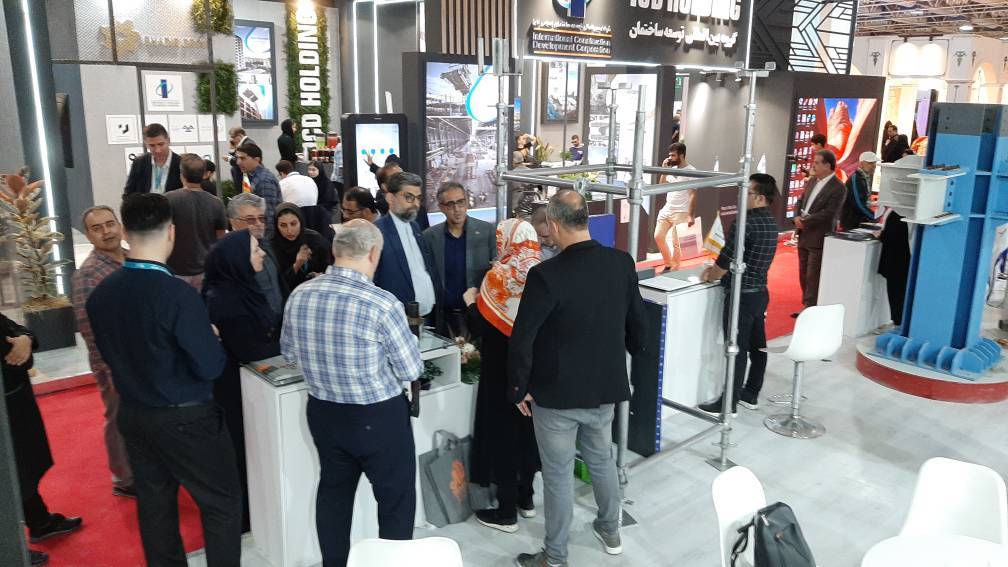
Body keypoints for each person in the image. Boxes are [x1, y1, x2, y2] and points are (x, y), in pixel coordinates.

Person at [86, 193, 240, 567]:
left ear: (125, 232)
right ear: (171, 232)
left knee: (155, 506)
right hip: (186, 418)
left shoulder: (101, 293)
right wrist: (211, 337)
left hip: (134, 414)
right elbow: (210, 366)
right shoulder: (177, 294)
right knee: (221, 503)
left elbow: (108, 354)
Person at [508, 190, 647, 567]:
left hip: (555, 394)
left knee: (557, 476)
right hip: (604, 388)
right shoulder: (621, 263)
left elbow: (523, 338)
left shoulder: (545, 275)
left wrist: (519, 388)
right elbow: (638, 326)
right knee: (602, 460)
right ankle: (610, 529)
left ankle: (555, 556)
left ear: (553, 225)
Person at [281, 219, 422, 567]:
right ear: (373, 254)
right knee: (395, 500)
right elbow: (411, 370)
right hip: (378, 417)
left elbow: (290, 354)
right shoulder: (382, 303)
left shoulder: (301, 294)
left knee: (334, 493)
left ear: (335, 250)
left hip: (324, 412)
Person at [463, 218, 541, 533]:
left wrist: (471, 301)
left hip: (500, 369)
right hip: (532, 369)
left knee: (503, 436)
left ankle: (506, 511)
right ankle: (527, 499)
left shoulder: (498, 276)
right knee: (527, 433)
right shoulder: (543, 273)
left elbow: (480, 327)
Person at [203, 230, 283, 532]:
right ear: (237, 260)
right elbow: (252, 350)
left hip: (248, 387)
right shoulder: (226, 301)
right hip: (235, 392)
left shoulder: (240, 287)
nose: (262, 253)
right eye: (254, 250)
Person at [3, 313, 83, 567]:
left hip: (14, 405)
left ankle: (39, 521)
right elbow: (12, 358)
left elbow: (16, 330)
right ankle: (9, 551)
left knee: (23, 468)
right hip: (6, 408)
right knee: (9, 476)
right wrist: (22, 345)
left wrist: (25, 338)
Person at [698, 174, 780, 414]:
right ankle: (751, 393)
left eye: (747, 192)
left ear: (760, 198)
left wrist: (711, 275)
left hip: (741, 296)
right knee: (758, 346)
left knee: (737, 348)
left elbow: (726, 258)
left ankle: (729, 402)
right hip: (760, 292)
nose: (741, 196)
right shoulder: (771, 222)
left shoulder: (744, 223)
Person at [70, 206, 133, 499]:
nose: (107, 231)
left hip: (141, 357)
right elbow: (88, 328)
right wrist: (108, 370)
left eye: (110, 224)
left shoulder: (134, 258)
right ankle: (124, 478)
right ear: (88, 235)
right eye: (97, 228)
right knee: (118, 418)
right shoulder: (87, 275)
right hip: (114, 363)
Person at [422, 182, 495, 335]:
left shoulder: (487, 232)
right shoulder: (429, 237)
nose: (457, 209)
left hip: (477, 315)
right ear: (441, 207)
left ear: (467, 202)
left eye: (461, 202)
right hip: (443, 317)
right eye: (450, 204)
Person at [373, 172, 440, 320]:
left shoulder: (415, 227)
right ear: (390, 198)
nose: (416, 204)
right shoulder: (377, 232)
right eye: (409, 197)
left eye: (418, 198)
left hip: (426, 316)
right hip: (397, 319)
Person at [794, 150, 845, 316]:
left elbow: (829, 213)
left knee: (813, 275)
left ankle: (811, 308)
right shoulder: (812, 181)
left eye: (816, 163)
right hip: (803, 234)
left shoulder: (838, 187)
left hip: (818, 237)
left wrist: (805, 221)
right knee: (803, 272)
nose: (813, 165)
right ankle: (806, 304)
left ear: (827, 166)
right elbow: (801, 200)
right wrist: (797, 217)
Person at [166, 153, 228, 289]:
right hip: (205, 269)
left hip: (176, 268)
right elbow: (221, 238)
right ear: (204, 175)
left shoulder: (169, 199)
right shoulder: (216, 203)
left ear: (182, 175)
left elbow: (163, 234)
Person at [227, 193, 289, 302]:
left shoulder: (266, 244)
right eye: (250, 220)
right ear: (233, 221)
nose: (258, 224)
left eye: (261, 218)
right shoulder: (227, 254)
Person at [653, 142, 698, 273]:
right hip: (667, 209)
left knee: (676, 243)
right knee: (658, 236)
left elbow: (693, 194)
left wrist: (691, 215)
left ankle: (674, 269)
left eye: (673, 155)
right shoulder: (671, 169)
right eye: (670, 155)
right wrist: (664, 170)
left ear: (681, 155)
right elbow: (661, 185)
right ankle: (668, 264)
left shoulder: (691, 171)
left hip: (681, 211)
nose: (670, 158)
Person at [272, 202, 333, 290]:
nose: (289, 230)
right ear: (276, 226)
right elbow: (276, 284)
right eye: (283, 225)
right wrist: (297, 265)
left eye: (293, 224)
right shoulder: (272, 245)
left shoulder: (315, 240)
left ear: (300, 222)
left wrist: (320, 276)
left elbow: (330, 269)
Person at [235, 143, 282, 239]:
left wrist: (264, 241)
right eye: (237, 158)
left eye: (243, 158)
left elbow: (268, 215)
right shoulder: (254, 177)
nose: (238, 162)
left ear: (256, 160)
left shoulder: (264, 180)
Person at [123, 123, 182, 194]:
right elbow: (128, 193)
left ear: (168, 141)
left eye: (161, 144)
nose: (157, 150)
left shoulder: (181, 163)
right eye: (152, 145)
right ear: (146, 144)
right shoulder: (139, 162)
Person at [841, 151, 878, 231]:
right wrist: (874, 216)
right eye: (870, 163)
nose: (874, 166)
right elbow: (858, 203)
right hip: (851, 222)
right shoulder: (855, 179)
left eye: (874, 163)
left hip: (858, 220)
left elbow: (863, 201)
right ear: (861, 164)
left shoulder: (864, 178)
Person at [227, 127, 254, 192]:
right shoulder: (243, 143)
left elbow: (239, 160)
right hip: (241, 175)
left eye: (233, 137)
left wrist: (229, 159)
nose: (232, 140)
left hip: (246, 175)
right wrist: (232, 148)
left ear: (240, 135)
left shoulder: (248, 144)